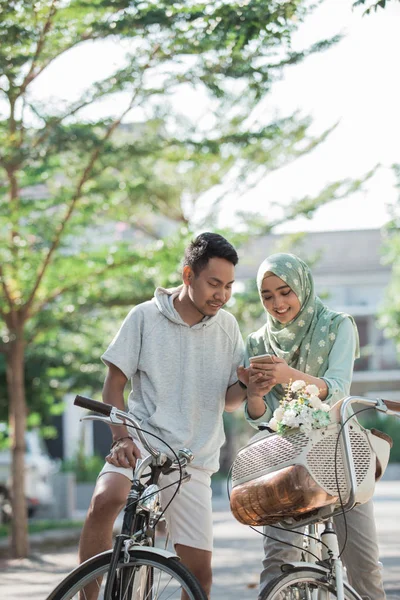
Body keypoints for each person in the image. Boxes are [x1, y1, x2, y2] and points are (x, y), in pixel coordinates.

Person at [78, 232, 246, 599]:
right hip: (141, 437)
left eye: (229, 286)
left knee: (199, 577)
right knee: (104, 500)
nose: (222, 294)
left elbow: (231, 401)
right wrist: (121, 437)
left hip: (193, 457)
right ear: (188, 275)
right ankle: (87, 597)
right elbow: (113, 386)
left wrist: (249, 385)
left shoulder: (228, 327)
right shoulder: (143, 316)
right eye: (214, 283)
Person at [237, 252, 386, 600]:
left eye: (285, 291)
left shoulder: (338, 325)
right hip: (284, 460)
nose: (278, 303)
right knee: (279, 561)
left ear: (302, 286)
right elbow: (263, 417)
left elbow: (338, 390)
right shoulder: (258, 342)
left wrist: (288, 375)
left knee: (363, 566)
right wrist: (256, 394)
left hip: (340, 454)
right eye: (267, 295)